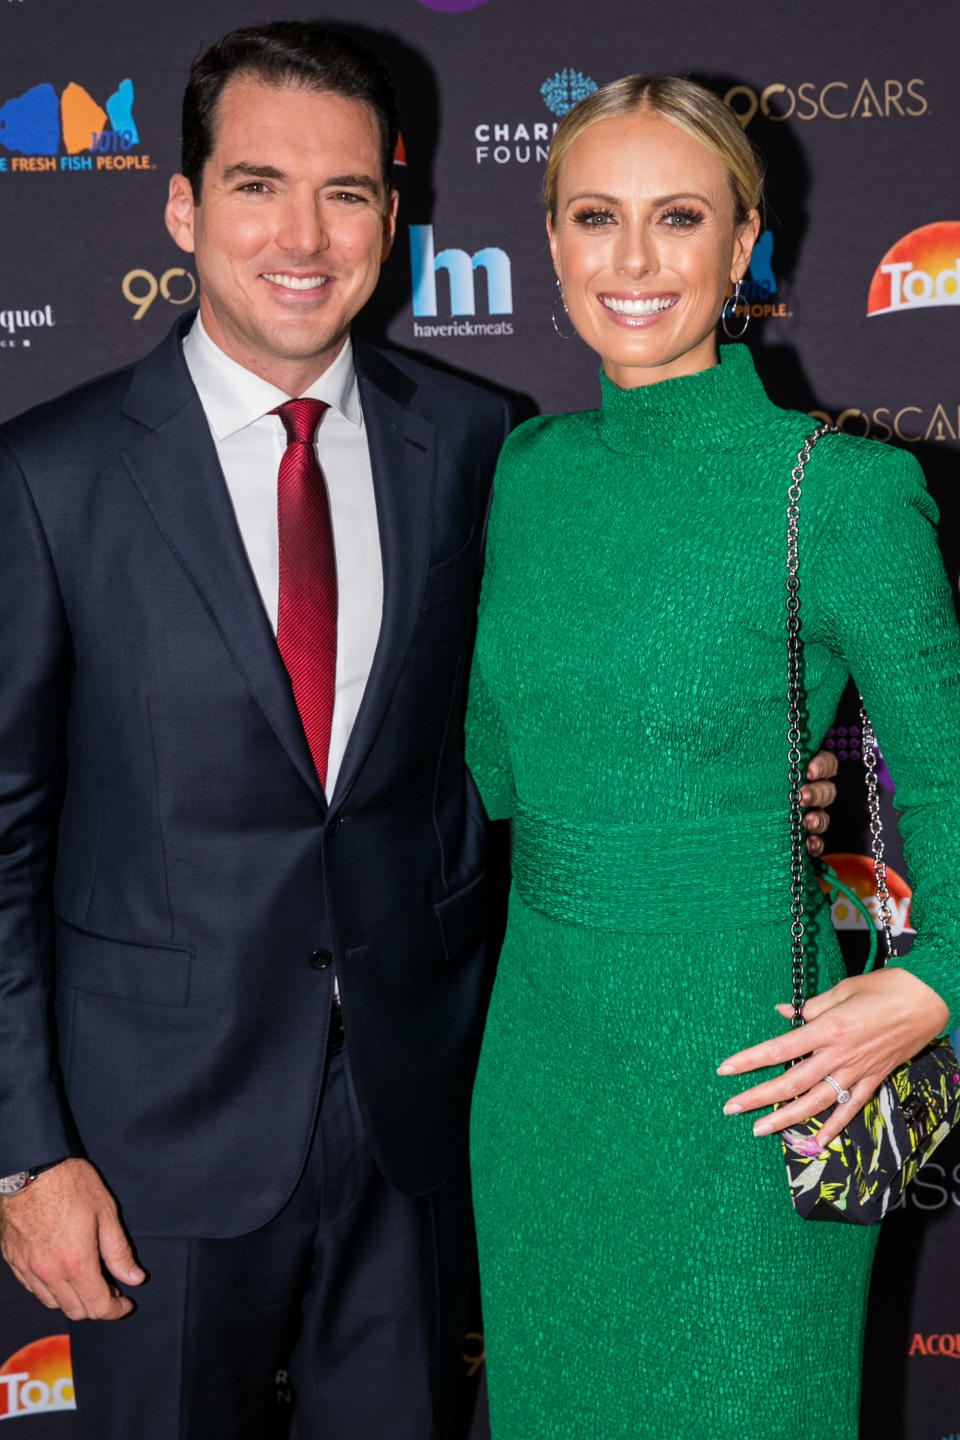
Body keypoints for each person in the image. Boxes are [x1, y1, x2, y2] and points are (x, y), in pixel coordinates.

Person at [0, 21, 511, 1439]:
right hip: (151, 1141)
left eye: (346, 191)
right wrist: (22, 1155)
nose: (305, 233)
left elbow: (510, 750)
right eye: (256, 184)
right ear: (182, 206)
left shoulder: (476, 443)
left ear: (394, 217)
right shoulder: (47, 480)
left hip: (416, 1121)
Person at [465, 74, 960, 1440]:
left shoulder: (842, 490)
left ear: (746, 243)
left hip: (754, 1078)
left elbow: (951, 775)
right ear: (549, 241)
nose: (633, 262)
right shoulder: (525, 475)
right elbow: (495, 775)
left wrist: (937, 985)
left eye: (677, 218)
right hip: (542, 1077)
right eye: (595, 218)